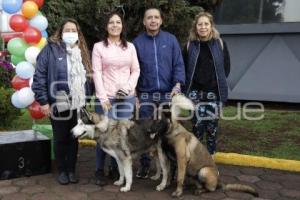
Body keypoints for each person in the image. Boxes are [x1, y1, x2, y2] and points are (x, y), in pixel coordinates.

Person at [32, 18, 93, 185]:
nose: (71, 33)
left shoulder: (82, 51)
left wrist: (88, 95)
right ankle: (63, 171)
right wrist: (44, 101)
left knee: (74, 137)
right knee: (60, 138)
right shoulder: (50, 50)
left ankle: (72, 170)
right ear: (60, 32)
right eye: (67, 30)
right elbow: (39, 76)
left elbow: (89, 76)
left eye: (74, 30)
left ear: (78, 33)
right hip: (57, 101)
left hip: (78, 103)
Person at [133, 7, 185, 178]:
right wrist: (135, 95)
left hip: (167, 95)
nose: (153, 20)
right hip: (146, 95)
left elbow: (178, 64)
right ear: (144, 21)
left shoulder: (171, 40)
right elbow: (133, 70)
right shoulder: (137, 43)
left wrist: (177, 86)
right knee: (145, 132)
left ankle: (171, 167)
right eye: (149, 17)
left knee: (169, 132)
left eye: (156, 17)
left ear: (161, 20)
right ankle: (145, 165)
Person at [92, 12, 140, 186]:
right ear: (106, 26)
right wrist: (103, 97)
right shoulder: (98, 47)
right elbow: (96, 73)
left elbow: (136, 70)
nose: (114, 25)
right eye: (111, 22)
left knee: (121, 136)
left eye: (118, 22)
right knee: (103, 134)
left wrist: (127, 89)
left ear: (122, 25)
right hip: (106, 99)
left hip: (126, 98)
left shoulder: (130, 47)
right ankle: (99, 170)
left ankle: (116, 169)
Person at [183, 12, 230, 155]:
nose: (203, 27)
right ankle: (196, 162)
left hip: (213, 95)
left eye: (206, 24)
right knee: (197, 130)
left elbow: (226, 68)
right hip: (194, 95)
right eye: (200, 24)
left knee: (212, 130)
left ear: (211, 26)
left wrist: (214, 84)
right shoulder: (189, 46)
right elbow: (184, 69)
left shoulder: (220, 44)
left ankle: (210, 162)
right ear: (195, 27)